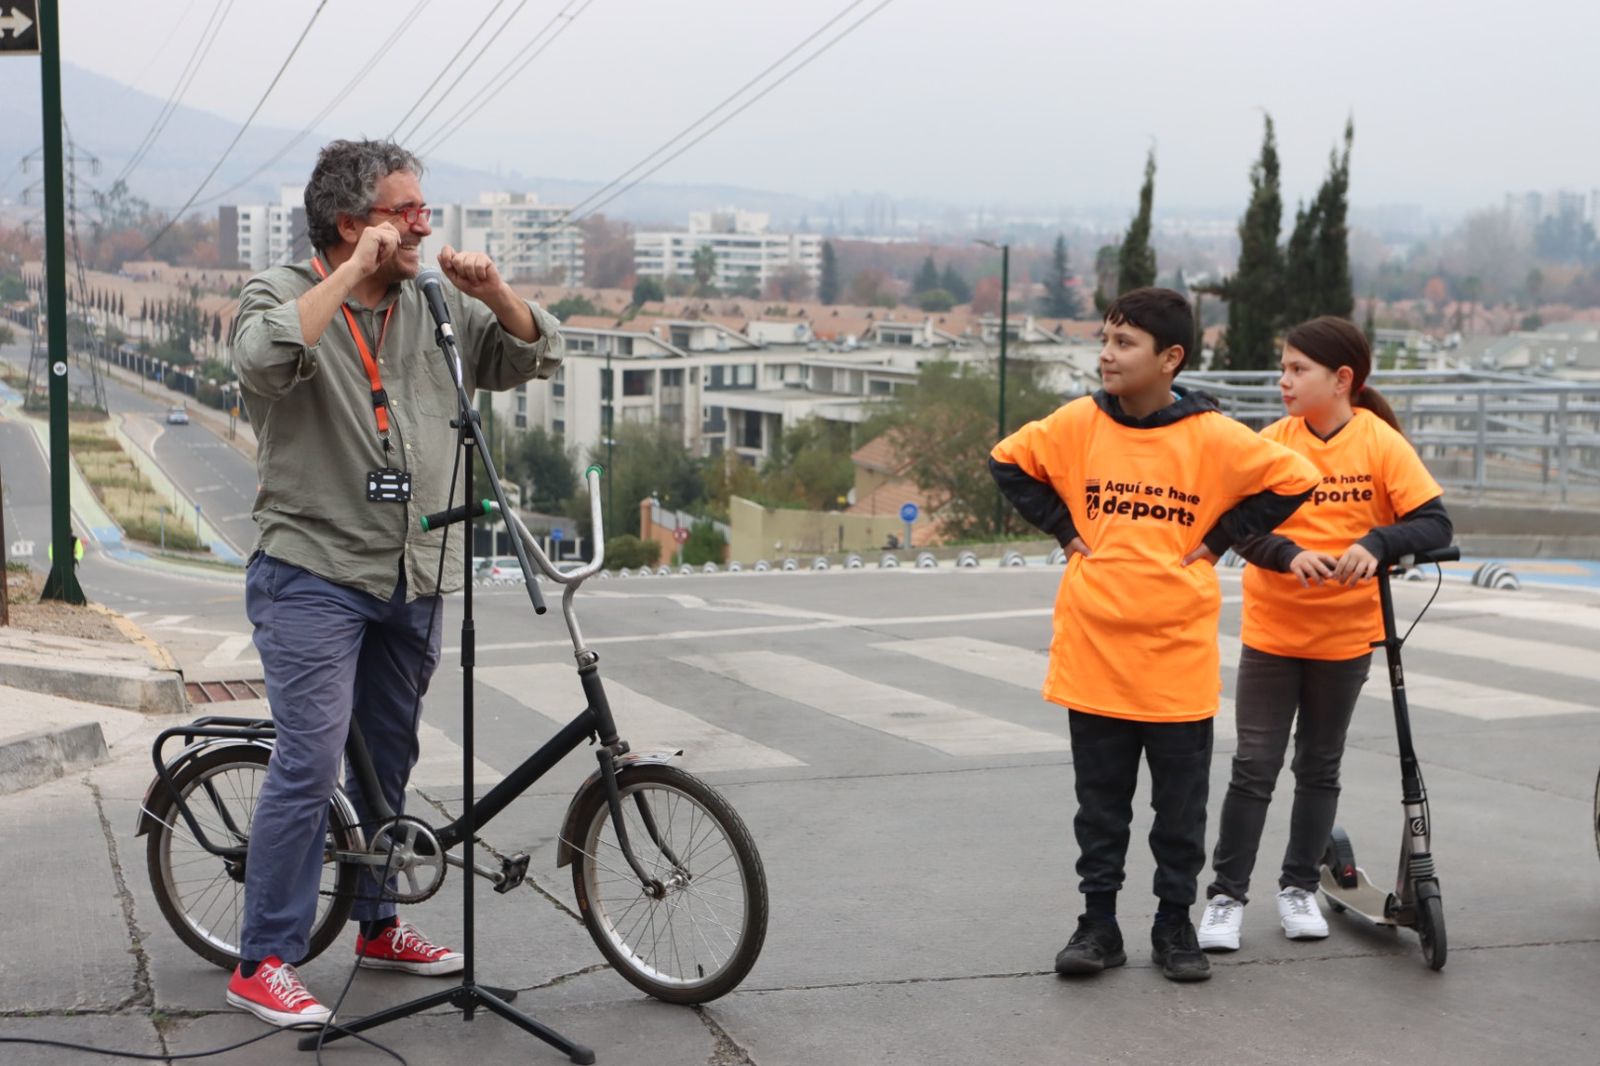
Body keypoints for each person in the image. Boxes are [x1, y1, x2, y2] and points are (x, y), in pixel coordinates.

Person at [226, 139, 562, 1026]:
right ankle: (263, 957)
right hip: (314, 571)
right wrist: (349, 277)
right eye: (405, 210)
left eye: (423, 207)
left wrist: (493, 293)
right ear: (352, 223)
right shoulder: (278, 293)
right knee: (308, 760)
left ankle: (378, 924)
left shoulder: (436, 303)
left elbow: (530, 354)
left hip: (415, 569)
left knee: (392, 757)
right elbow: (262, 360)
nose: (424, 222)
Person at [990, 287, 1320, 982]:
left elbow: (1297, 474)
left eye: (1124, 344)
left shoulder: (1212, 435)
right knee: (1100, 810)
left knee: (1178, 814)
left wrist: (1225, 536)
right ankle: (1098, 926)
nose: (1107, 356)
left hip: (1176, 659)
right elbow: (1007, 461)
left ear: (1170, 358)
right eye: (1105, 341)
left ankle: (1175, 925)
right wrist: (1064, 529)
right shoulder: (1077, 422)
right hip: (1094, 653)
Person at [1198, 316, 1450, 952]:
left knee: (1318, 765)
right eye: (1283, 369)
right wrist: (1285, 554)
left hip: (1344, 638)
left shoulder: (1380, 443)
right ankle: (1225, 897)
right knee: (1255, 764)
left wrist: (1379, 541)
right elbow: (1237, 526)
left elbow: (1433, 523)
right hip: (1273, 634)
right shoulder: (1274, 443)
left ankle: (1297, 888)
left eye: (1296, 370)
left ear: (1342, 380)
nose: (1284, 381)